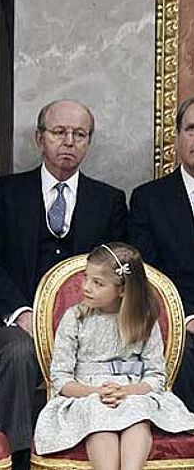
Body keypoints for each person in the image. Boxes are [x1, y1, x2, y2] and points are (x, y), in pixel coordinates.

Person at [0, 99, 127, 468]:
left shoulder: (110, 201)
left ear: (89, 142)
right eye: (59, 132)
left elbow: (122, 274)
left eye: (79, 134)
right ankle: (20, 459)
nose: (68, 142)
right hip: (17, 322)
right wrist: (23, 314)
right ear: (40, 139)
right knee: (19, 352)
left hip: (89, 325)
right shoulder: (5, 194)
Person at [33, 243, 194, 466]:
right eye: (86, 278)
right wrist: (95, 392)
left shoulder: (143, 320)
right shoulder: (75, 319)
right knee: (99, 417)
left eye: (98, 283)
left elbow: (156, 377)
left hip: (132, 394)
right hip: (87, 395)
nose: (87, 287)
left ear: (122, 289)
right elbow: (61, 379)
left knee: (137, 416)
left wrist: (127, 392)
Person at [128, 96, 194, 412]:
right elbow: (148, 274)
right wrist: (188, 317)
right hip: (179, 319)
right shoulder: (148, 200)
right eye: (192, 129)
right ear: (177, 136)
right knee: (184, 348)